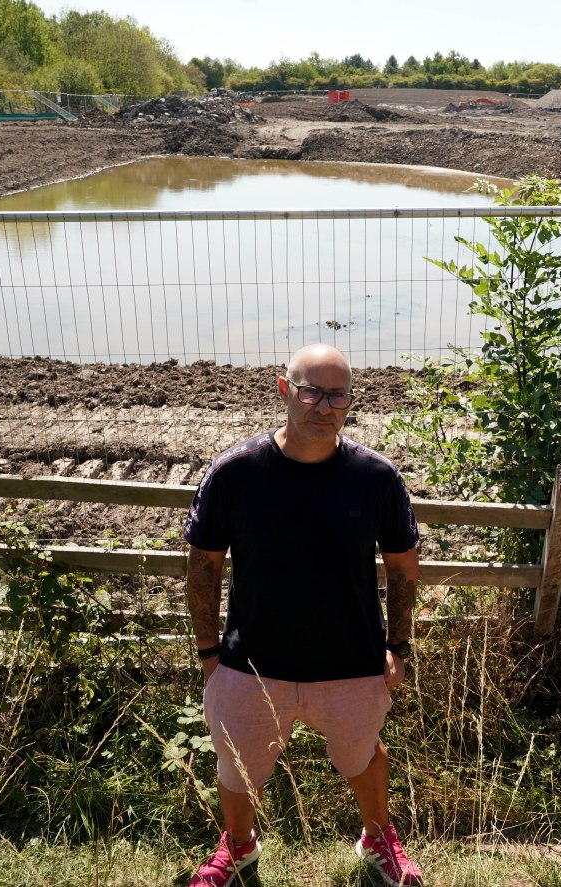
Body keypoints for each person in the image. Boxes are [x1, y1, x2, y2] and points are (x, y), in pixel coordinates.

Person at [183, 343, 423, 887]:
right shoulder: (235, 473)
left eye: (338, 393)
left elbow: (404, 568)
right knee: (237, 769)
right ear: (284, 389)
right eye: (311, 390)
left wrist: (397, 647)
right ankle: (238, 848)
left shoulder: (375, 477)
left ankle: (377, 838)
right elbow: (202, 567)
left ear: (350, 401)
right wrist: (208, 655)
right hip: (250, 665)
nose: (324, 404)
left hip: (353, 664)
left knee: (363, 757)